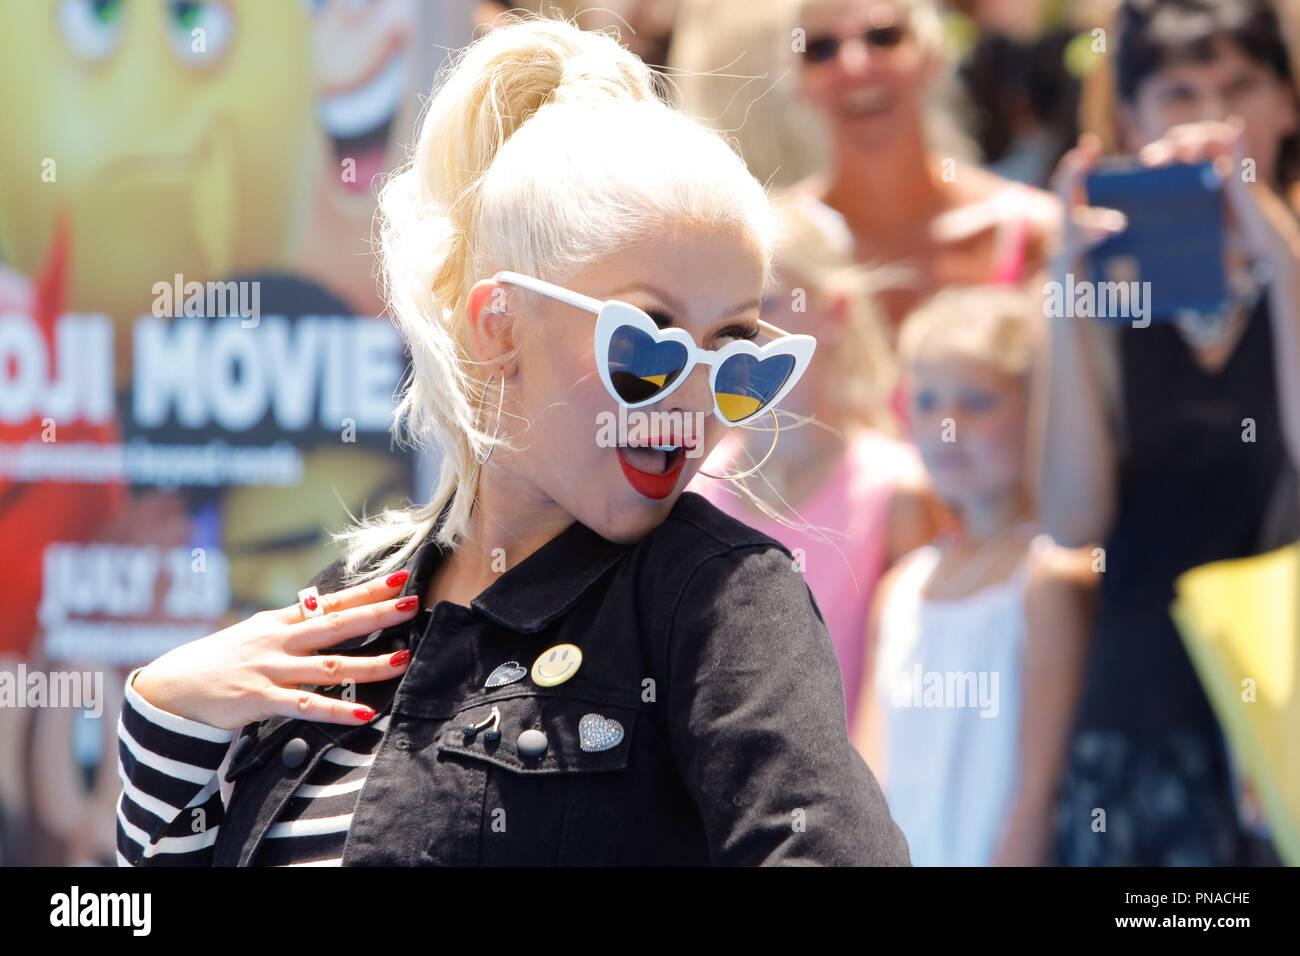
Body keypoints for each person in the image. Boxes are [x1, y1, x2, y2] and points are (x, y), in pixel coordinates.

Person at [113, 15, 910, 867]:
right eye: (644, 342)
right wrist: (167, 717)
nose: (692, 397)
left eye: (736, 356)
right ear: (499, 327)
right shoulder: (357, 604)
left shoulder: (715, 596)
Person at [1039, 0, 1300, 865]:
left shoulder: (1294, 264)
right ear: (1132, 118)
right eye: (1179, 93)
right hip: (1144, 718)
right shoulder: (1102, 289)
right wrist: (1066, 299)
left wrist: (1279, 254)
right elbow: (1073, 519)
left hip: (1286, 713)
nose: (1212, 121)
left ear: (1287, 104)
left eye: (1238, 87)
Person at [852, 285, 1094, 866]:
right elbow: (867, 771)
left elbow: (1039, 790)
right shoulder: (904, 585)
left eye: (978, 402)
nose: (947, 426)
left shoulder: (1049, 577)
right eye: (927, 401)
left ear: (1039, 410)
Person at [690, 193, 942, 729]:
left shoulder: (899, 492)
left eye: (763, 308)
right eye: (722, 322)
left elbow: (905, 711)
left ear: (836, 310)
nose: (738, 344)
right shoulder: (691, 487)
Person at [789, 0, 1062, 339]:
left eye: (883, 37)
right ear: (799, 81)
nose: (854, 65)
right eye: (821, 48)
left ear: (930, 57)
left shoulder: (1035, 234)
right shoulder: (773, 248)